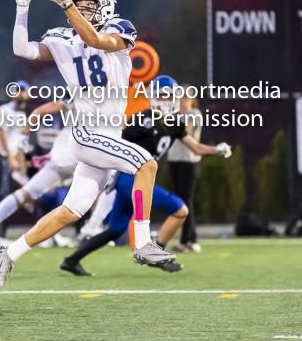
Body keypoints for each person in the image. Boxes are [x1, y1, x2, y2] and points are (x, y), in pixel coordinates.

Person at [0, 0, 173, 293]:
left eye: (89, 5)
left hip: (107, 136)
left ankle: (10, 252)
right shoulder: (62, 36)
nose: (83, 9)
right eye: (80, 5)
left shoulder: (120, 28)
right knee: (147, 163)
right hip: (88, 132)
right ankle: (144, 243)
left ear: (105, 7)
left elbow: (95, 39)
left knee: (70, 212)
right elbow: (24, 50)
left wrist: (69, 9)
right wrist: (22, 9)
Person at [59, 75, 231, 276]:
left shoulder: (176, 123)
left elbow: (197, 148)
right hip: (129, 179)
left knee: (115, 229)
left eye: (169, 97)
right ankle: (155, 255)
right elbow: (116, 144)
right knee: (180, 209)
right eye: (162, 96)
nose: (166, 101)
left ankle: (71, 260)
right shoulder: (140, 119)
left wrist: (216, 149)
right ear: (152, 97)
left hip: (133, 181)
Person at [0, 99, 77, 257]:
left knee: (25, 194)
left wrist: (24, 132)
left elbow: (39, 111)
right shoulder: (101, 96)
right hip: (78, 157)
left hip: (63, 157)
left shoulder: (84, 93)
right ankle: (88, 230)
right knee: (80, 203)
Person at [0, 80, 31, 236]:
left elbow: (19, 144)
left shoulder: (22, 115)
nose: (20, 93)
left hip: (8, 159)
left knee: (6, 196)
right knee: (0, 195)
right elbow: (1, 133)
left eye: (23, 90)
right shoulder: (4, 110)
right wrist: (10, 157)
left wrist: (22, 168)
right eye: (17, 90)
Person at [168, 85, 203, 253]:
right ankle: (187, 238)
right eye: (178, 97)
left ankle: (189, 240)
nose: (180, 101)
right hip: (174, 160)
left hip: (189, 162)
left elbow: (185, 131)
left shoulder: (194, 115)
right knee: (179, 202)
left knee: (186, 201)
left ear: (191, 100)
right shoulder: (172, 115)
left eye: (184, 98)